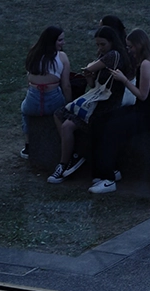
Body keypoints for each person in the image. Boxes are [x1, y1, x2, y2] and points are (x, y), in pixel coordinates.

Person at [82, 26, 150, 194]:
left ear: (139, 45)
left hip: (149, 115)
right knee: (100, 120)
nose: (129, 50)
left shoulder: (147, 64)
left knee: (112, 129)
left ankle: (108, 180)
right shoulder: (144, 62)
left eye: (131, 46)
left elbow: (142, 95)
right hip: (141, 110)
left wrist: (124, 80)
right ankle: (108, 170)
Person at [50, 20, 128, 184]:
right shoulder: (104, 56)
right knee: (58, 114)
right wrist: (89, 78)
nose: (100, 48)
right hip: (96, 98)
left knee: (67, 125)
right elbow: (93, 83)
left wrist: (89, 70)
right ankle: (73, 153)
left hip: (106, 104)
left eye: (102, 44)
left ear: (112, 42)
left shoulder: (113, 55)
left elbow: (89, 68)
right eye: (97, 45)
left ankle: (65, 163)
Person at [19, 24, 71, 162]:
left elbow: (29, 79)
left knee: (24, 111)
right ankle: (64, 144)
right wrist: (69, 103)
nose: (63, 43)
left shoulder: (33, 54)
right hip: (54, 102)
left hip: (32, 101)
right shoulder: (62, 57)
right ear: (51, 41)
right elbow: (66, 85)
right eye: (60, 40)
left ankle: (28, 145)